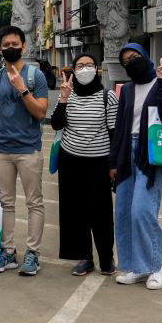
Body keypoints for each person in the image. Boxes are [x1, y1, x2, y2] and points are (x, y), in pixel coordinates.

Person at [0, 26, 49, 276]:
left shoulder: (36, 77)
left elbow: (41, 113)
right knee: (5, 203)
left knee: (35, 203)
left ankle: (33, 254)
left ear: (24, 46)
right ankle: (8, 252)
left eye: (15, 44)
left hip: (29, 150)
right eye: (6, 45)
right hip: (2, 150)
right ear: (0, 49)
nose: (10, 48)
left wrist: (22, 88)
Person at [108, 44, 162, 290]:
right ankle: (135, 265)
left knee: (142, 211)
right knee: (124, 213)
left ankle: (155, 266)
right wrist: (113, 162)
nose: (131, 62)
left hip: (151, 152)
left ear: (144, 56)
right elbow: (119, 126)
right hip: (127, 151)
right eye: (126, 61)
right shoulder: (126, 89)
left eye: (135, 57)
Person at [50, 54, 118, 276]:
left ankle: (106, 258)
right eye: (80, 65)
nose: (85, 69)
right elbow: (57, 124)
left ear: (97, 69)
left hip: (98, 162)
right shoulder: (68, 95)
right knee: (75, 212)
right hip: (70, 160)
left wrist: (113, 165)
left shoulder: (107, 97)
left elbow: (114, 132)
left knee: (101, 212)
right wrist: (63, 98)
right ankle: (84, 257)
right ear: (73, 70)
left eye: (89, 65)